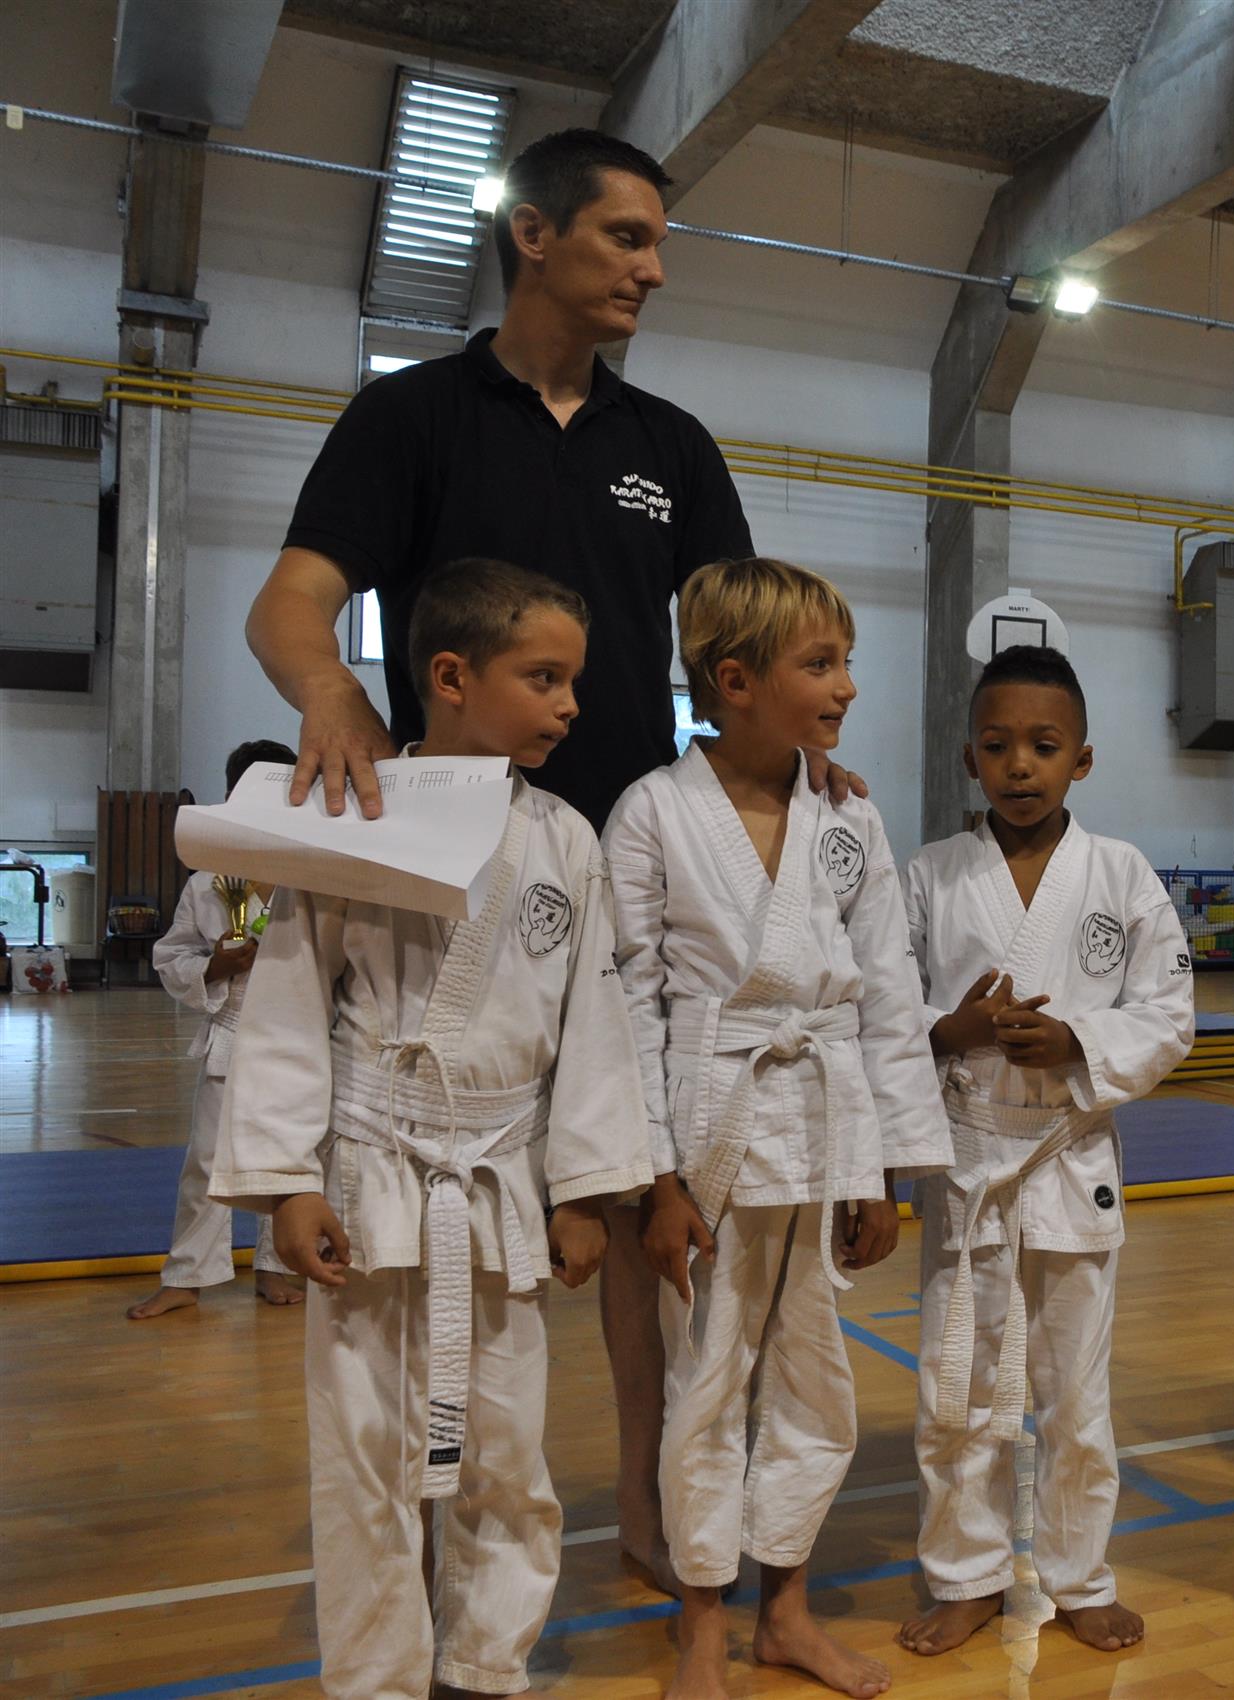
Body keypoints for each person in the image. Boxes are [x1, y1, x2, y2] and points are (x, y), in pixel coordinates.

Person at [241, 126, 856, 1591]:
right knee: (421, 1196)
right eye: (626, 237)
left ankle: (656, 1511)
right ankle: (412, 1543)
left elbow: (745, 639)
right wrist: (334, 697)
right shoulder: (410, 416)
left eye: (658, 244)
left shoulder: (670, 446)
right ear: (534, 233)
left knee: (641, 1200)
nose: (653, 269)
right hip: (451, 865)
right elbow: (291, 602)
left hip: (640, 858)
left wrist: (801, 742)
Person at [211, 559, 657, 1699]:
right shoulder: (352, 810)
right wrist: (285, 1180)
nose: (570, 705)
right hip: (371, 1171)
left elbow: (594, 1023)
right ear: (451, 677)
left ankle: (486, 1663)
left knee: (508, 1449)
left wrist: (586, 1190)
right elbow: (288, 1001)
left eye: (574, 681)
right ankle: (376, 1677)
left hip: (500, 1177)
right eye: (544, 678)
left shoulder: (565, 839)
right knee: (363, 1452)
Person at [602, 558, 948, 1700]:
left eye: (846, 660)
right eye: (822, 663)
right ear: (734, 679)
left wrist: (884, 1168)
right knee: (705, 1380)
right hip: (709, 1122)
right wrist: (656, 1178)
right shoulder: (653, 810)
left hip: (825, 1114)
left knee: (814, 1379)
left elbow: (888, 989)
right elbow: (630, 1002)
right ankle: (702, 1620)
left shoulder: (847, 813)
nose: (847, 685)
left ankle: (784, 1611)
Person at [896, 645, 1195, 1658]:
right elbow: (884, 1008)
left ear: (1083, 759)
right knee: (958, 1382)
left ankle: (1079, 1576)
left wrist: (1077, 1042)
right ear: (969, 758)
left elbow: (1170, 1014)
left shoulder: (1122, 875)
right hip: (970, 1162)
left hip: (1071, 1156)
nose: (1019, 765)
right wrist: (950, 1030)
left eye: (1043, 745)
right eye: (997, 745)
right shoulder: (931, 874)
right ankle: (965, 1573)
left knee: (1076, 1392)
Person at [130, 738, 302, 1319]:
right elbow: (171, 955)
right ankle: (187, 1276)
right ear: (232, 796)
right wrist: (216, 967)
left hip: (302, 1035)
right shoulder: (209, 882)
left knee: (291, 1156)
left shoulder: (316, 875)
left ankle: (277, 1266)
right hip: (233, 1030)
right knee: (207, 1159)